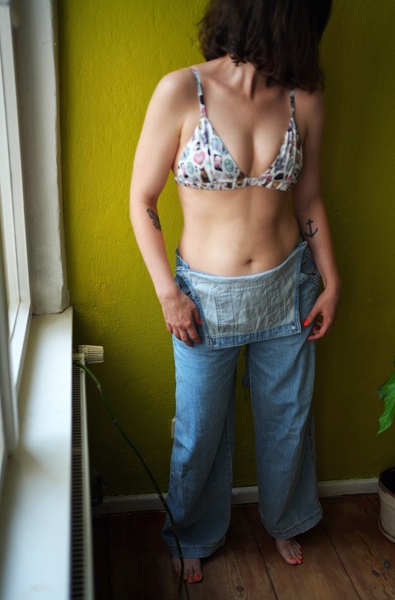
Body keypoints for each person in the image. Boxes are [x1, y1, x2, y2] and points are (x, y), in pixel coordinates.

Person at [130, 0, 339, 584]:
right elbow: (141, 200)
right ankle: (192, 531)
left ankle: (286, 517)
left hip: (288, 289)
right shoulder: (181, 91)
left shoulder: (304, 98)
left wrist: (332, 280)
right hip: (203, 301)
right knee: (198, 430)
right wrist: (167, 293)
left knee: (288, 421)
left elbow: (309, 199)